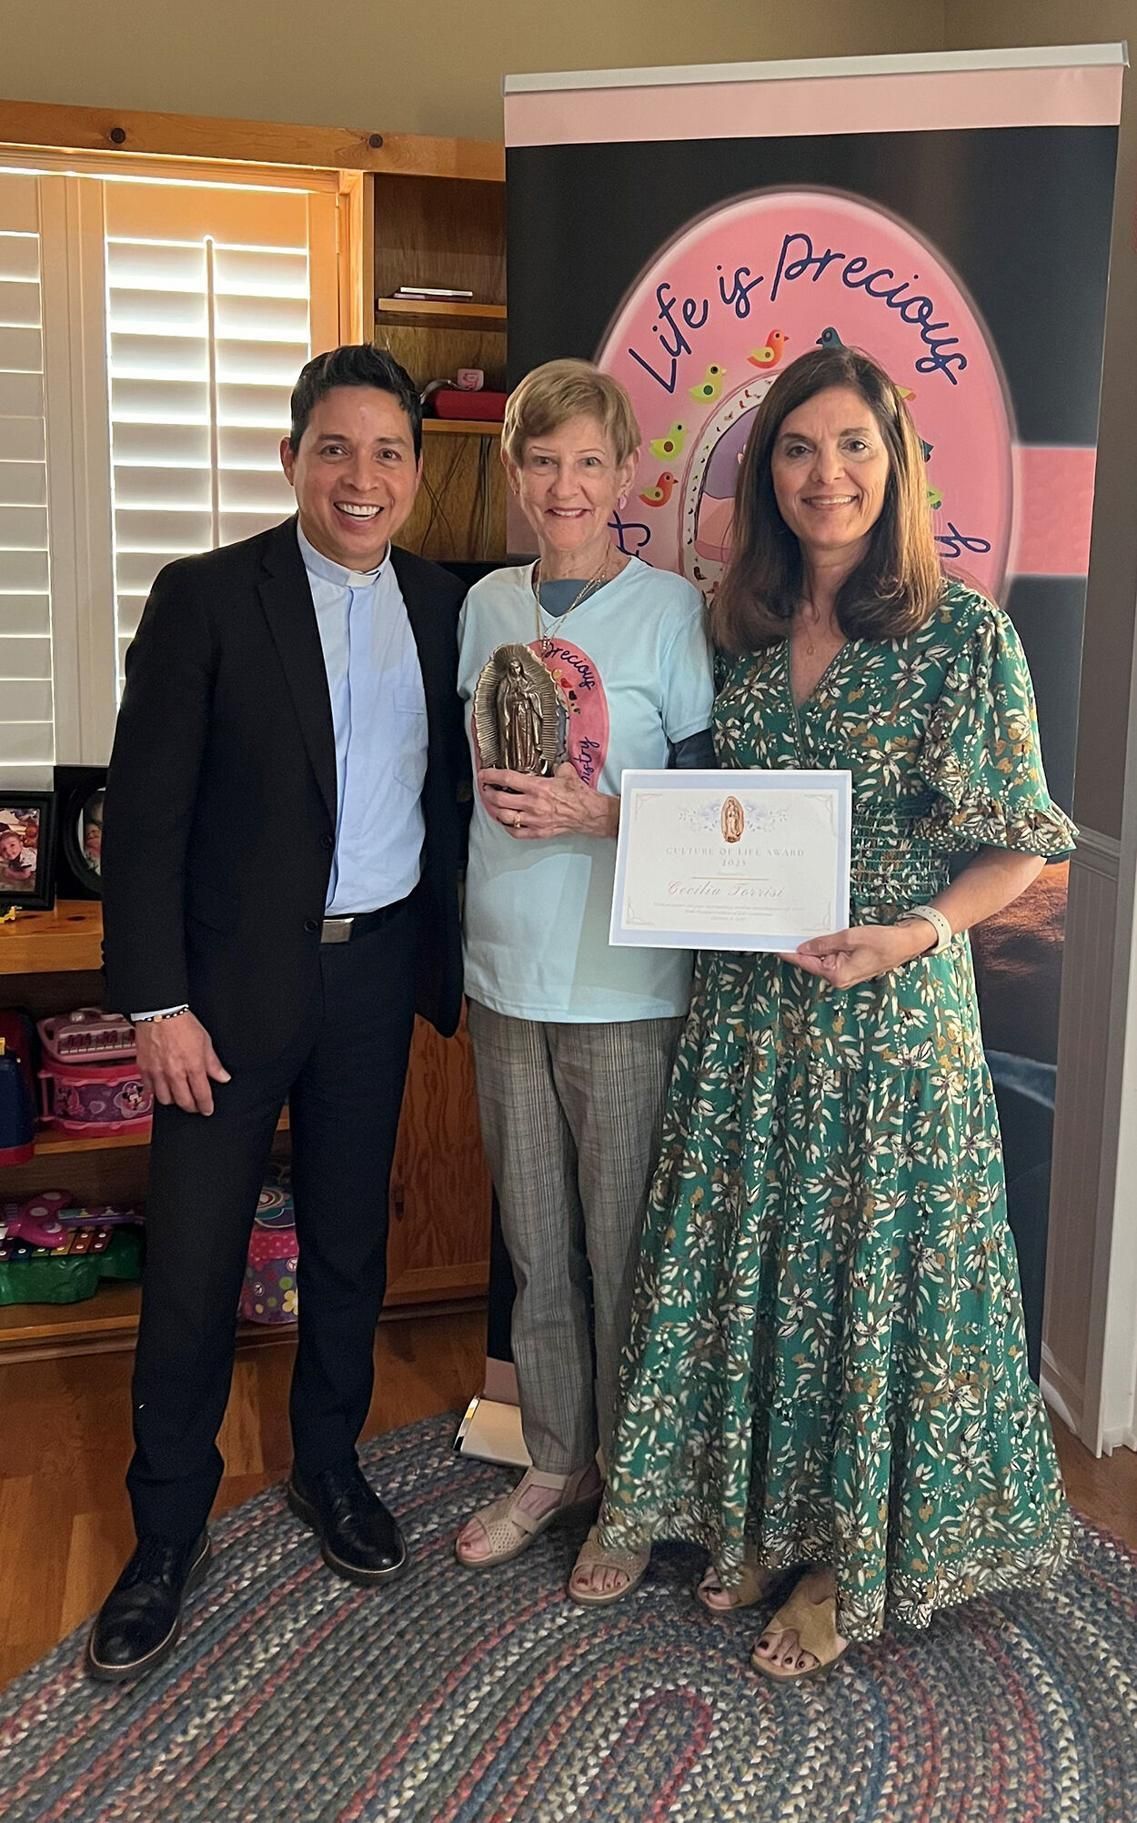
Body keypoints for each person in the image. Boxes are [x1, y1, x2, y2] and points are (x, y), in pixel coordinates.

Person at [571, 345, 1075, 1683]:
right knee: (767, 1270)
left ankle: (850, 1558)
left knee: (866, 1285)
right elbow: (703, 820)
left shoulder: (965, 636)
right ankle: (758, 1520)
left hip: (890, 1021)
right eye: (798, 448)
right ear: (764, 473)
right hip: (748, 1013)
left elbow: (1020, 847)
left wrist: (914, 931)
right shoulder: (727, 628)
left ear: (896, 464)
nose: (826, 473)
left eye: (853, 445)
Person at [90, 345, 468, 1684]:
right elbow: (142, 821)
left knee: (350, 1243)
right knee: (191, 1263)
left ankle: (326, 1465)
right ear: (293, 457)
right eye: (336, 448)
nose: (362, 477)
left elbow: (462, 797)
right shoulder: (205, 597)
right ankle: (163, 1531)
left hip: (373, 974)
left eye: (387, 453)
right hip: (225, 996)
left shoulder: (445, 606)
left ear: (417, 473)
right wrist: (156, 1002)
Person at [453, 359, 714, 1574]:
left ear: (626, 478)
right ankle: (555, 1460)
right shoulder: (485, 608)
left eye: (589, 461)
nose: (566, 483)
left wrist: (600, 816)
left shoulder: (669, 613)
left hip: (623, 989)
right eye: (544, 460)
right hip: (504, 979)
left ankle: (637, 1487)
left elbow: (713, 809)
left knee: (624, 1251)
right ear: (516, 472)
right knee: (536, 1250)